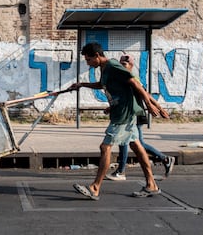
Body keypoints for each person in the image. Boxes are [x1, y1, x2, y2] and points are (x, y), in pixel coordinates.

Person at [69, 42, 168, 200]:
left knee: (105, 147)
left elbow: (135, 83)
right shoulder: (104, 69)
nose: (88, 63)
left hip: (124, 115)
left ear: (97, 56)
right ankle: (152, 184)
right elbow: (102, 85)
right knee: (136, 145)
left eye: (88, 60)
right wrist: (82, 85)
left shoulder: (113, 66)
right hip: (121, 112)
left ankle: (95, 188)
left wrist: (150, 105)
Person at [106, 54, 175, 181]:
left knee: (124, 142)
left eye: (125, 64)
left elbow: (146, 95)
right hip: (128, 113)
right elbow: (124, 98)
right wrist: (111, 107)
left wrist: (159, 108)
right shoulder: (122, 78)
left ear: (131, 66)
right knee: (137, 143)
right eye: (120, 63)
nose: (122, 65)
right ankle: (165, 159)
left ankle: (121, 171)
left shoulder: (133, 78)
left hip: (134, 115)